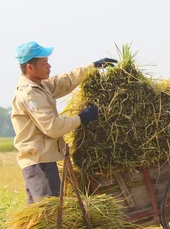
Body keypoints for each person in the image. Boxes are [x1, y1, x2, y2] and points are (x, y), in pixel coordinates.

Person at [11, 41, 117, 204]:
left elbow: (64, 81)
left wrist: (92, 67)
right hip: (39, 162)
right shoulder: (30, 94)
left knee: (39, 215)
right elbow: (52, 127)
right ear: (30, 68)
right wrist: (81, 118)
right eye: (44, 63)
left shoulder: (41, 86)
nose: (49, 66)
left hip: (40, 160)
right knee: (51, 213)